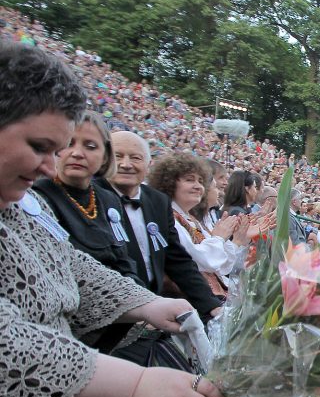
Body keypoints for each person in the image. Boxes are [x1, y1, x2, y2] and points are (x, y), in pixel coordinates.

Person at [0, 41, 224, 397]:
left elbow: (70, 265)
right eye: (39, 146)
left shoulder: (17, 206)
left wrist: (142, 303)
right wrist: (139, 382)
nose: (48, 165)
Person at [100, 132, 223, 322]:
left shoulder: (157, 201)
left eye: (135, 157)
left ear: (148, 165)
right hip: (112, 316)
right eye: (118, 156)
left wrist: (211, 305)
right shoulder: (91, 198)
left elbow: (177, 260)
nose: (125, 164)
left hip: (154, 315)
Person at [32, 111, 142, 286]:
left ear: (105, 156)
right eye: (69, 143)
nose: (77, 153)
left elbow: (123, 259)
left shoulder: (109, 200)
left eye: (90, 146)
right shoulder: (38, 197)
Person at [148, 152, 251, 297]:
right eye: (190, 180)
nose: (198, 187)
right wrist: (220, 238)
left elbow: (221, 266)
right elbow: (198, 261)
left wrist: (234, 240)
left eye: (200, 181)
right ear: (169, 183)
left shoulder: (190, 219)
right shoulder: (169, 218)